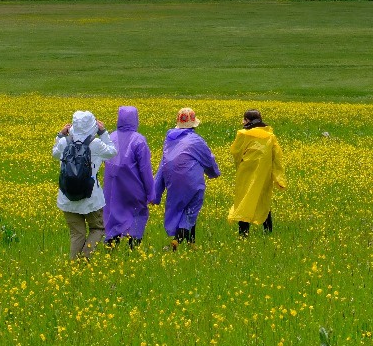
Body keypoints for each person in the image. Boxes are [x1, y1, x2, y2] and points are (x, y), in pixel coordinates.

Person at [149, 107, 219, 248]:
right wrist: (213, 173)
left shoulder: (170, 139)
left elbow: (163, 164)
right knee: (192, 208)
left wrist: (155, 194)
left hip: (172, 179)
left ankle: (191, 242)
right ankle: (177, 241)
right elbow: (208, 159)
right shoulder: (196, 140)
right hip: (192, 179)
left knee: (179, 208)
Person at [53, 110, 115, 259]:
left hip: (67, 196)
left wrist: (60, 135)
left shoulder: (64, 142)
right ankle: (85, 259)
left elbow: (55, 154)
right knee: (97, 228)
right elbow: (112, 151)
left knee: (77, 233)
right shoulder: (96, 144)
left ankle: (74, 265)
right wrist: (103, 132)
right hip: (90, 197)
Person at [227, 108, 286, 236]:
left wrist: (240, 166)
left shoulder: (243, 134)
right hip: (264, 174)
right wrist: (278, 178)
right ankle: (268, 232)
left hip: (246, 174)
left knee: (245, 199)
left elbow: (236, 153)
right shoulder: (270, 136)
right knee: (263, 199)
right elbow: (277, 157)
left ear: (247, 120)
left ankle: (243, 234)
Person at [102, 106, 153, 247]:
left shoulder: (111, 137)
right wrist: (151, 193)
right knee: (137, 214)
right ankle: (134, 247)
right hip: (134, 187)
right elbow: (145, 169)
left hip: (113, 188)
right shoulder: (139, 140)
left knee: (113, 215)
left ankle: (111, 247)